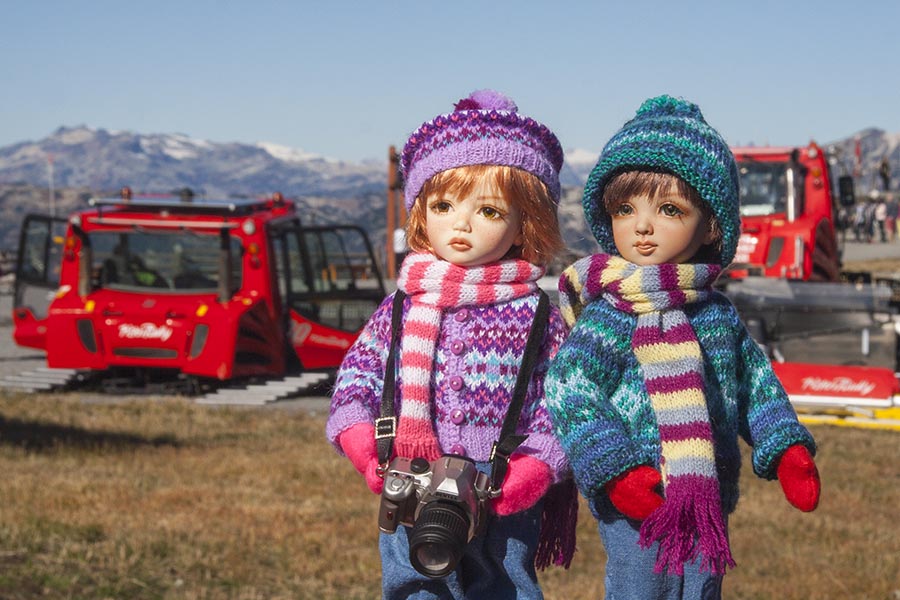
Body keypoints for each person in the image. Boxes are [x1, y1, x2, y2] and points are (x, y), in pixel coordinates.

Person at [544, 95, 820, 600]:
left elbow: (754, 382)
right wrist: (616, 468)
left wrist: (786, 445)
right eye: (625, 208)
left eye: (669, 209)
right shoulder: (612, 313)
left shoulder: (715, 315)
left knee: (700, 589)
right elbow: (569, 386)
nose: (642, 226)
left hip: (705, 496)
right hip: (638, 497)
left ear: (712, 223)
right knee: (640, 586)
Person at [326, 90, 577, 599]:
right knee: (416, 581)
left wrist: (541, 461)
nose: (460, 224)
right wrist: (359, 436)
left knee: (503, 582)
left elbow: (565, 397)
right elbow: (359, 376)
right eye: (443, 205)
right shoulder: (400, 307)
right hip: (411, 471)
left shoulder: (536, 315)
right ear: (421, 213)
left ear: (525, 220)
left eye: (488, 211)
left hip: (499, 481)